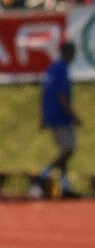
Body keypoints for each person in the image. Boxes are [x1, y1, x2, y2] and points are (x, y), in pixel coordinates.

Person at [32, 40, 81, 197]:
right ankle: (42, 175)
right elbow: (61, 96)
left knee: (64, 151)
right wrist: (73, 115)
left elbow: (43, 94)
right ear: (66, 52)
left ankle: (64, 186)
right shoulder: (61, 70)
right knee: (68, 149)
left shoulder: (52, 69)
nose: (73, 56)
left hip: (52, 115)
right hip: (61, 116)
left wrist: (43, 116)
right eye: (72, 52)